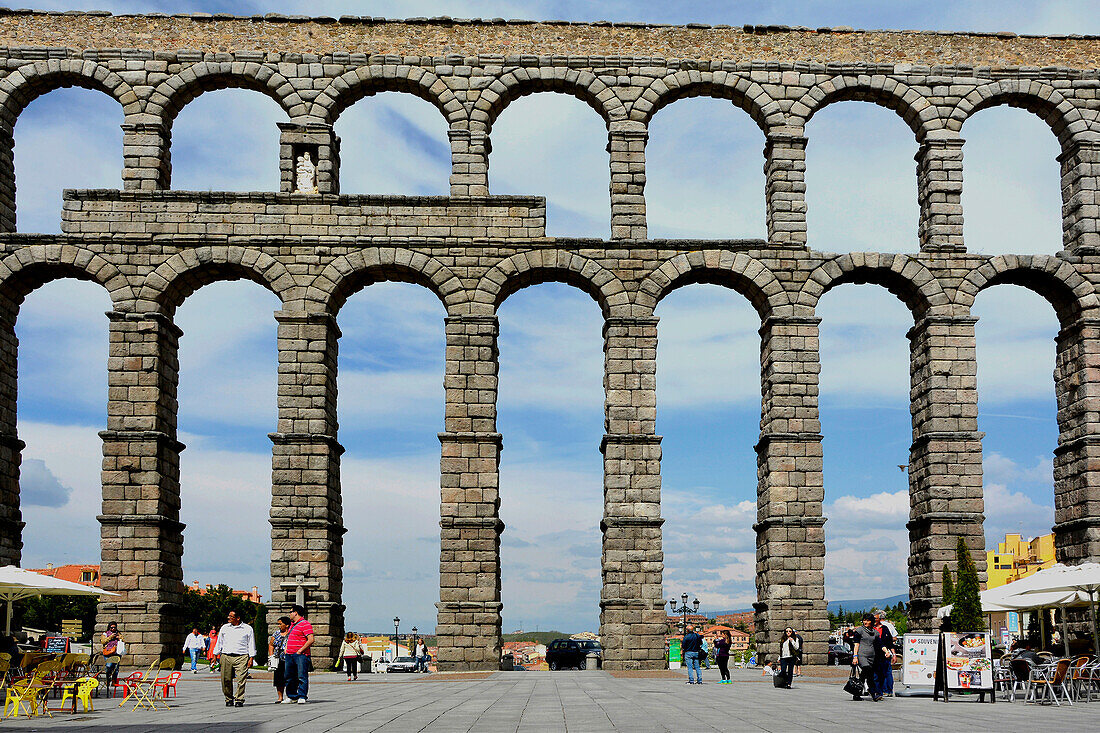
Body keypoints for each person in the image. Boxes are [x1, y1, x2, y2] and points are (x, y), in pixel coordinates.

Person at [212, 610, 256, 708]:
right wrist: (215, 655)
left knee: (241, 679)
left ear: (238, 618)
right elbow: (219, 642)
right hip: (226, 655)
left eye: (231, 616)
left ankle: (239, 699)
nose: (228, 618)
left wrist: (251, 657)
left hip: (242, 656)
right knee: (225, 679)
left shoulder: (247, 628)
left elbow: (251, 643)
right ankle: (229, 698)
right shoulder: (225, 628)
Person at [283, 604, 315, 704]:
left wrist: (300, 650)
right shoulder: (292, 625)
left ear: (295, 613)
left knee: (301, 676)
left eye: (290, 612)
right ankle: (291, 696)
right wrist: (286, 648)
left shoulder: (305, 624)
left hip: (300, 655)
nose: (289, 614)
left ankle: (302, 695)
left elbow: (311, 639)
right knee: (289, 676)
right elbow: (289, 638)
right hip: (289, 654)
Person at [850, 613, 879, 701]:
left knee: (863, 675)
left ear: (872, 621)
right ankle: (873, 691)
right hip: (861, 655)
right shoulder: (859, 631)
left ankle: (856, 694)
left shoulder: (875, 632)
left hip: (871, 656)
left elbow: (878, 644)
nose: (865, 622)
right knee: (868, 671)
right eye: (864, 620)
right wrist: (855, 656)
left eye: (868, 620)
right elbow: (856, 644)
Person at [873, 611, 898, 696]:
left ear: (880, 619)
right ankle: (882, 690)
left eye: (876, 618)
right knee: (880, 673)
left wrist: (893, 654)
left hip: (885, 653)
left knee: (886, 672)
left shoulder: (885, 628)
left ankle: (887, 690)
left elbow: (891, 641)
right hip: (875, 653)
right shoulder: (871, 629)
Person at [269, 616, 291, 703]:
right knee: (278, 678)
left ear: (287, 625)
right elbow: (271, 644)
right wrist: (271, 656)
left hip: (288, 658)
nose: (279, 626)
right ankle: (280, 697)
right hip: (278, 659)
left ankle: (289, 695)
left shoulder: (291, 633)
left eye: (280, 624)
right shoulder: (276, 634)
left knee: (289, 677)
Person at [101, 621, 124, 688]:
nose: (113, 629)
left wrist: (119, 638)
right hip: (108, 652)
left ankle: (114, 681)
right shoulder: (105, 634)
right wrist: (110, 637)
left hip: (116, 652)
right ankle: (108, 679)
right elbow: (103, 641)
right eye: (111, 628)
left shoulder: (118, 633)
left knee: (116, 668)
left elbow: (123, 640)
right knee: (109, 666)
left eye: (114, 627)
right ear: (109, 627)